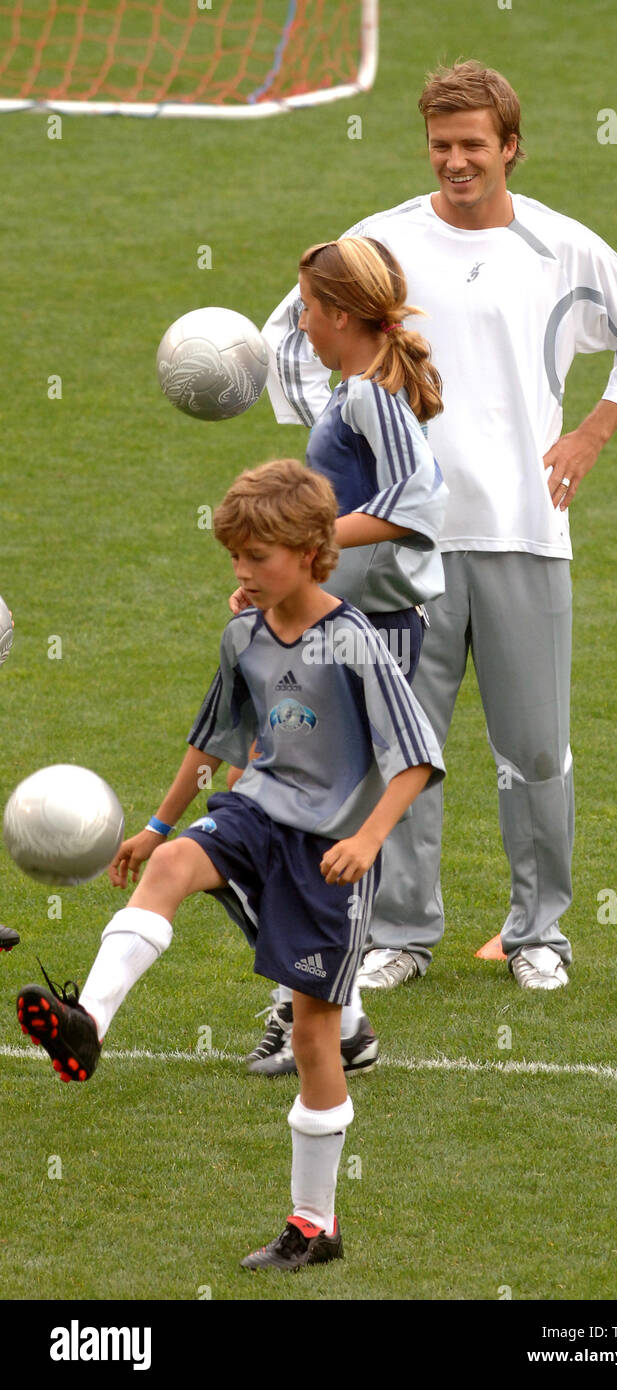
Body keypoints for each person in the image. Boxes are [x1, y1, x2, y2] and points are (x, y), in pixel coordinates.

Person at [260, 60, 617, 992]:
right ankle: (401, 935)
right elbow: (286, 335)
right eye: (442, 145)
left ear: (511, 149)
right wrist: (336, 459)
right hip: (402, 548)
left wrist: (590, 435)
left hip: (525, 532)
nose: (456, 162)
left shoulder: (562, 248)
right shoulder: (378, 243)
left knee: (535, 749)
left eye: (474, 146)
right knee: (404, 742)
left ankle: (541, 935)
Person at [16, 458, 444, 1271]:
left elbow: (416, 758)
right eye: (235, 557)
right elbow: (214, 740)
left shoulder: (356, 642)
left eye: (260, 557)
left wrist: (370, 839)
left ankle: (314, 1225)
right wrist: (155, 823)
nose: (243, 573)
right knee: (172, 865)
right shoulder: (243, 635)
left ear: (314, 551)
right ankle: (88, 1026)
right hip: (256, 815)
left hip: (331, 855)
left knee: (316, 1034)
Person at [234, 236, 448, 1071]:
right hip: (334, 624)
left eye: (309, 312)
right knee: (291, 814)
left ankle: (319, 1010)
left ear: (342, 315)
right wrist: (278, 580)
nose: (303, 328)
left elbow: (412, 504)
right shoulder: (355, 390)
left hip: (371, 635)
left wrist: (294, 540)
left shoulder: (369, 398)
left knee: (301, 820)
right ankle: (323, 1010)